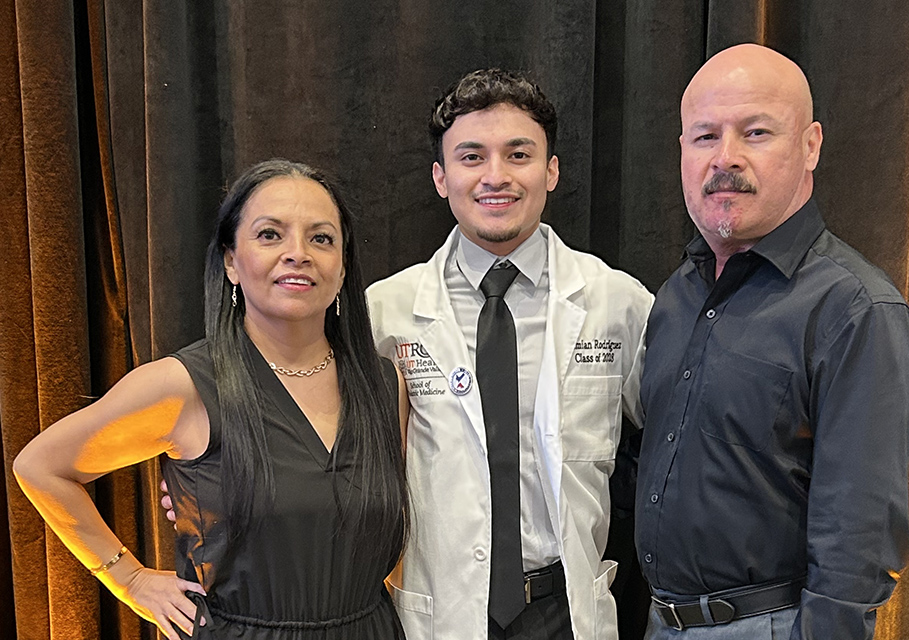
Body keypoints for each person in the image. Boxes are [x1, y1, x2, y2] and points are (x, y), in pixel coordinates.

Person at [14, 159, 409, 639]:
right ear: (230, 261)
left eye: (321, 238)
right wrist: (127, 577)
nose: (297, 253)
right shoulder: (182, 386)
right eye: (270, 235)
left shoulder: (384, 386)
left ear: (343, 267)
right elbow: (40, 466)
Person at [635, 44, 909, 639]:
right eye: (705, 136)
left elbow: (858, 536)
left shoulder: (855, 309)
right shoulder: (676, 296)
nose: (726, 158)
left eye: (756, 132)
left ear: (811, 145)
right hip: (661, 621)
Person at [366, 69, 655, 640]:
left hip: (563, 611)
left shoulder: (615, 302)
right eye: (471, 157)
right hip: (438, 612)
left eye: (518, 154)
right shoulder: (387, 311)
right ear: (440, 177)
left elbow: (678, 442)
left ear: (551, 171)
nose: (495, 176)